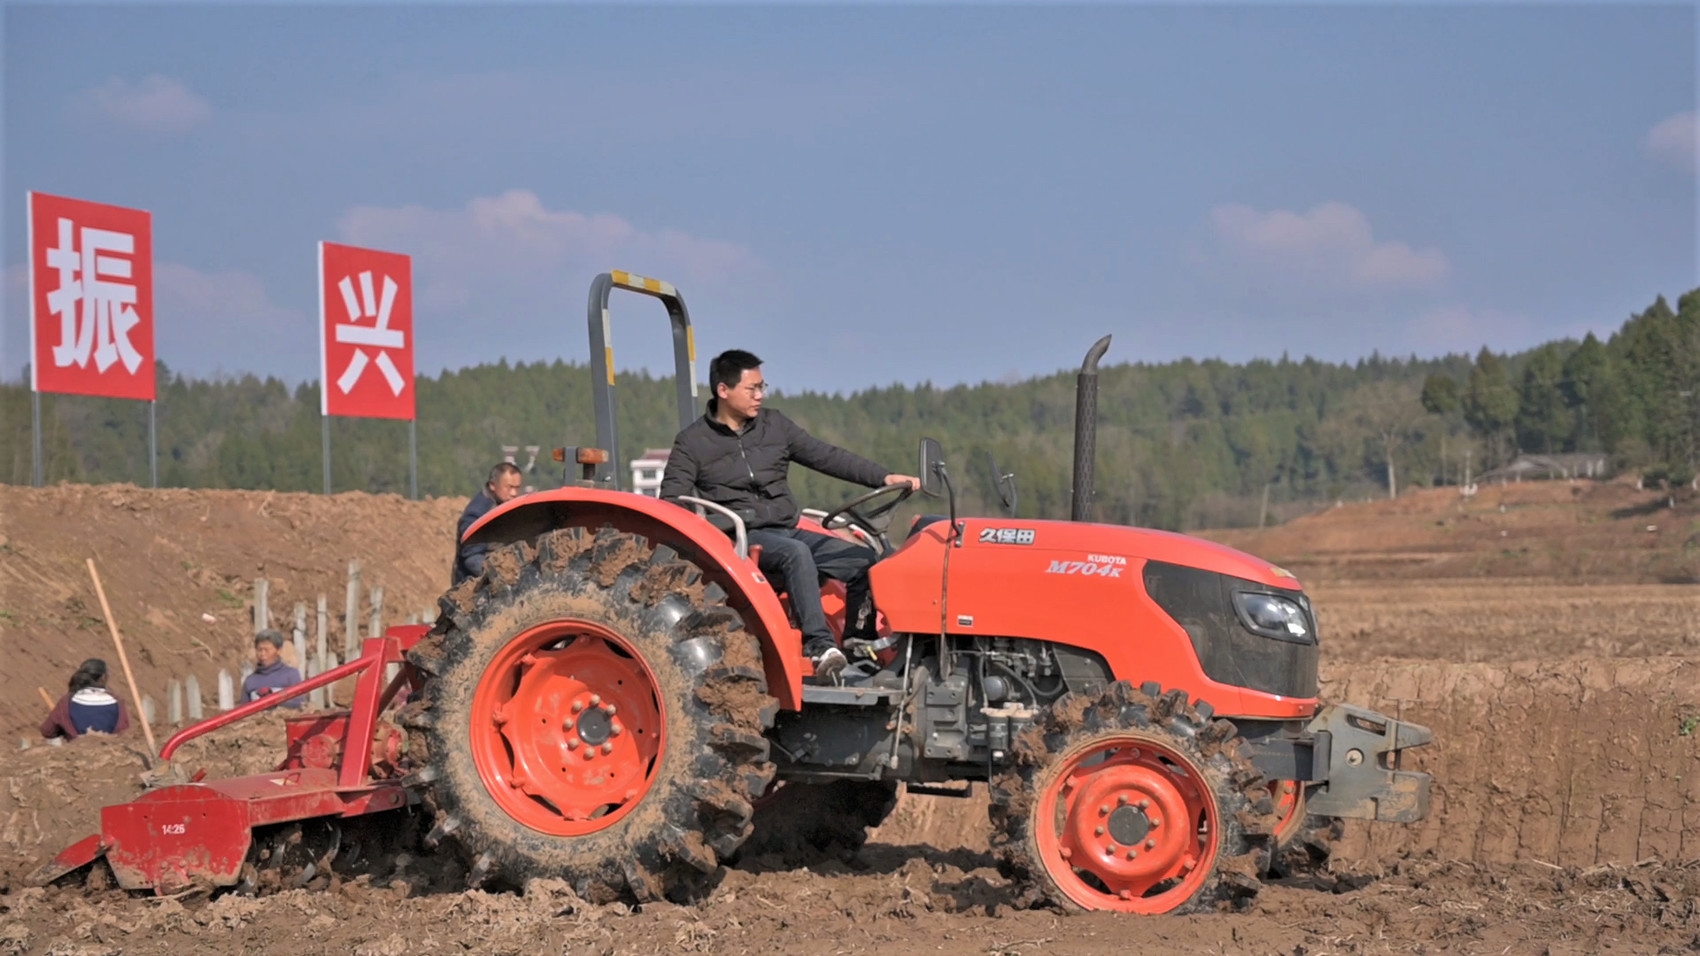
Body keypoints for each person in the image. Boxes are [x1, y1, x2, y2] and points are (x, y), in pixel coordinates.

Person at [659, 349, 920, 684]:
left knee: (861, 559)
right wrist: (707, 535)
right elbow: (672, 501)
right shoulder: (694, 442)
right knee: (796, 555)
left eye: (762, 386)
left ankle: (858, 641)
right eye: (752, 388)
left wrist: (884, 477)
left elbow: (826, 456)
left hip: (785, 529)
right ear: (723, 391)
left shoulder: (775, 426)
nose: (760, 395)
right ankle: (820, 646)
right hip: (741, 537)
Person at [452, 461, 525, 585]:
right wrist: (502, 576)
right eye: (509, 487)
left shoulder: (505, 505)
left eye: (517, 488)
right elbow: (472, 559)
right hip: (474, 586)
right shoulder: (477, 513)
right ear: (492, 485)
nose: (514, 493)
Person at [40, 658, 131, 740]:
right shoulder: (117, 702)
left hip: (78, 754)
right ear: (103, 677)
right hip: (109, 754)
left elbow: (47, 731)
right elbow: (123, 732)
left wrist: (64, 730)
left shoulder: (66, 702)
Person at [242, 629, 304, 708]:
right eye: (259, 650)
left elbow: (300, 704)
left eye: (267, 650)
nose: (262, 654)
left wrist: (274, 700)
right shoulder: (250, 681)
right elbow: (243, 711)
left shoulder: (290, 675)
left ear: (279, 651)